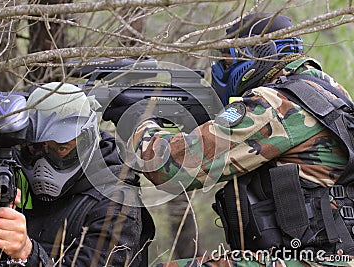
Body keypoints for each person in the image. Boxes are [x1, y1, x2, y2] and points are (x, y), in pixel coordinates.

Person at [103, 12, 354, 265]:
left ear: (256, 53)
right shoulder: (325, 93)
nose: (219, 69)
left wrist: (138, 120)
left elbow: (167, 167)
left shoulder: (274, 104)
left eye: (226, 59)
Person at [0, 82, 154, 266]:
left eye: (61, 149)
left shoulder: (115, 193)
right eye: (35, 148)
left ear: (86, 141)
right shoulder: (10, 162)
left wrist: (27, 253)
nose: (43, 163)